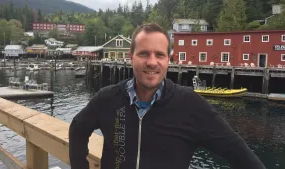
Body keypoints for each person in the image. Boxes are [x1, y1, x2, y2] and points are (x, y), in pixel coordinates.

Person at [69, 23, 266, 169]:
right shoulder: (108, 99)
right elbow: (78, 129)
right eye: (144, 54)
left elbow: (240, 155)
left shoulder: (190, 105)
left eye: (160, 55)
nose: (152, 62)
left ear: (169, 60)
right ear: (131, 58)